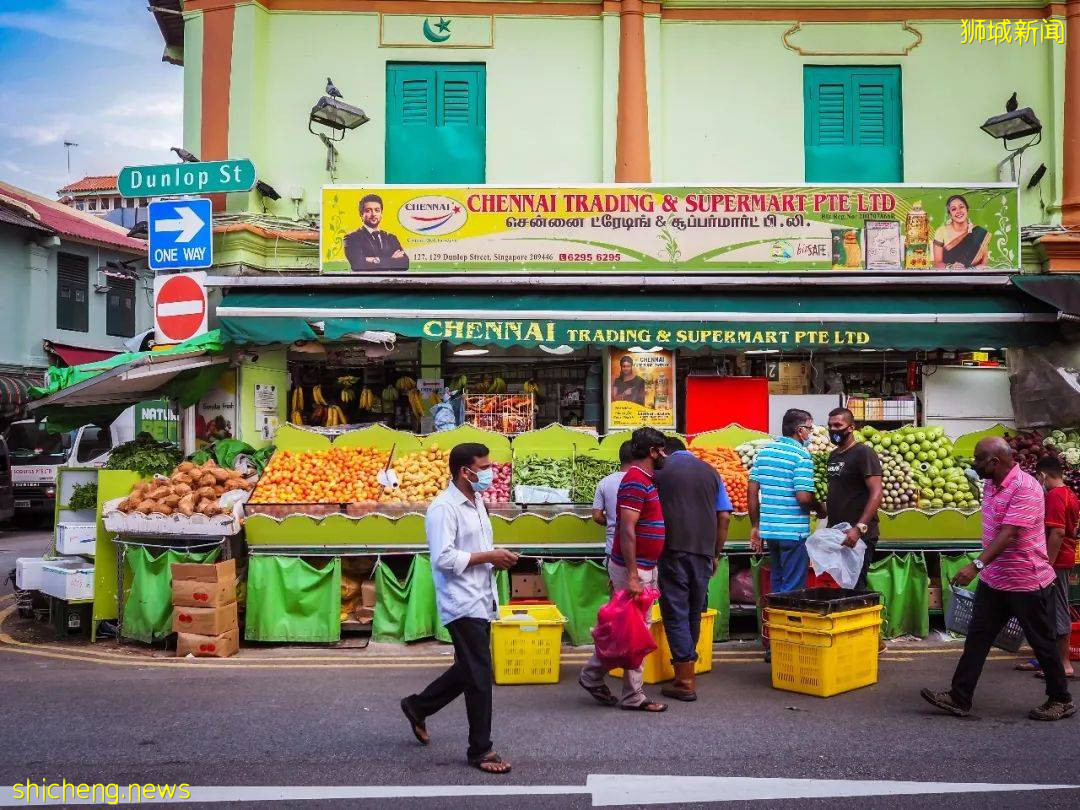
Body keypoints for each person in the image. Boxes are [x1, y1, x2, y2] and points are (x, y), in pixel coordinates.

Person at [921, 437, 1075, 721]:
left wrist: (975, 565)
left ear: (994, 461)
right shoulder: (991, 485)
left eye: (979, 459)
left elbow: (1010, 533)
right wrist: (986, 569)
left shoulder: (1026, 488)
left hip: (1025, 579)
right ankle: (960, 697)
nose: (974, 464)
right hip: (996, 579)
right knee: (977, 639)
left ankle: (1060, 699)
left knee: (1042, 642)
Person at [401, 442, 519, 774]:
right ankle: (480, 750)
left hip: (481, 595)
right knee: (480, 675)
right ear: (464, 472)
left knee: (469, 669)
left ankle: (417, 705)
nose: (488, 473)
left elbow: (474, 549)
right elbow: (443, 557)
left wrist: (496, 559)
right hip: (461, 600)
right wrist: (489, 557)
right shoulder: (443, 508)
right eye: (483, 468)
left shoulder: (477, 501)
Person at [579, 426, 669, 713]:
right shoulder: (634, 482)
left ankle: (593, 677)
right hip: (635, 568)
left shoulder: (644, 480)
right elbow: (627, 528)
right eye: (662, 450)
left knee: (626, 629)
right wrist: (632, 574)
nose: (665, 455)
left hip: (643, 566)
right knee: (634, 632)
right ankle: (630, 694)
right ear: (652, 451)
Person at [654, 437, 732, 701]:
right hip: (703, 551)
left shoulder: (660, 471)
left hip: (673, 548)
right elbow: (724, 516)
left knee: (675, 611)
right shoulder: (711, 471)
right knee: (694, 611)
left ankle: (685, 679)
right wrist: (716, 553)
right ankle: (687, 669)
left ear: (663, 451)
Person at [1016, 456, 1080, 679]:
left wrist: (1048, 565)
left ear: (1043, 475)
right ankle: (1046, 659)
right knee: (1046, 611)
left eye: (1038, 476)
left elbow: (1058, 532)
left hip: (1058, 561)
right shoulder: (1069, 493)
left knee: (1058, 610)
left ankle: (1064, 664)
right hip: (1062, 558)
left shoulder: (1055, 496)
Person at [748, 409, 824, 594]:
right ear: (800, 430)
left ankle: (775, 620)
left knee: (778, 581)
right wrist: (820, 509)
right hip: (793, 532)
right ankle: (788, 621)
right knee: (793, 589)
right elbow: (803, 497)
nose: (811, 433)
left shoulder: (764, 453)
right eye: (809, 428)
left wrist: (756, 525)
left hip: (770, 531)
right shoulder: (801, 456)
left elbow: (751, 491)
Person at [824, 408, 883, 589]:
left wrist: (859, 528)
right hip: (838, 534)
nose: (833, 430)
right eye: (830, 426)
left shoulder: (863, 453)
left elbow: (876, 492)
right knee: (840, 587)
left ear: (851, 427)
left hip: (858, 536)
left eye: (838, 425)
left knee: (855, 588)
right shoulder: (833, 456)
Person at [344, 193, 410, 271]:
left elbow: (405, 263)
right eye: (368, 210)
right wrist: (391, 260)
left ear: (381, 213)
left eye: (377, 210)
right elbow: (357, 264)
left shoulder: (391, 238)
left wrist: (371, 260)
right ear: (361, 215)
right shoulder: (352, 238)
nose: (373, 214)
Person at [592, 441, 633, 558]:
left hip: (612, 547)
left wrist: (611, 522)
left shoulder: (604, 482)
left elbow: (596, 516)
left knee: (614, 576)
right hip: (638, 548)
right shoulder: (644, 481)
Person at [932, 194, 990, 270]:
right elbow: (937, 263)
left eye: (961, 207)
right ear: (950, 214)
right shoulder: (941, 232)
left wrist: (971, 270)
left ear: (967, 209)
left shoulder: (980, 232)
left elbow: (984, 263)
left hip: (973, 278)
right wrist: (951, 267)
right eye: (953, 209)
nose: (958, 211)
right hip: (948, 278)